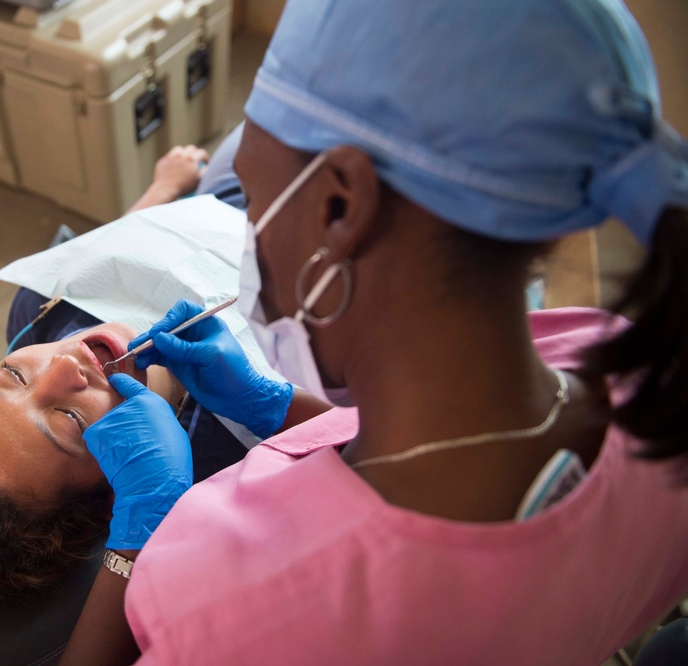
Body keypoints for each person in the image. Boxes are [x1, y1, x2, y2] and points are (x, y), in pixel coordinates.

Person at [60, 1, 688, 663]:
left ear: (339, 205)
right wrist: (278, 408)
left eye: (252, 198)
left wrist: (137, 546)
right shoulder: (628, 373)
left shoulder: (237, 607)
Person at [0, 142, 316, 600]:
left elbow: (116, 245)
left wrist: (165, 186)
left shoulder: (38, 313)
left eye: (13, 377)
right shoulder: (237, 464)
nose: (61, 365)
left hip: (222, 199)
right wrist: (271, 404)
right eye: (69, 419)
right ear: (118, 491)